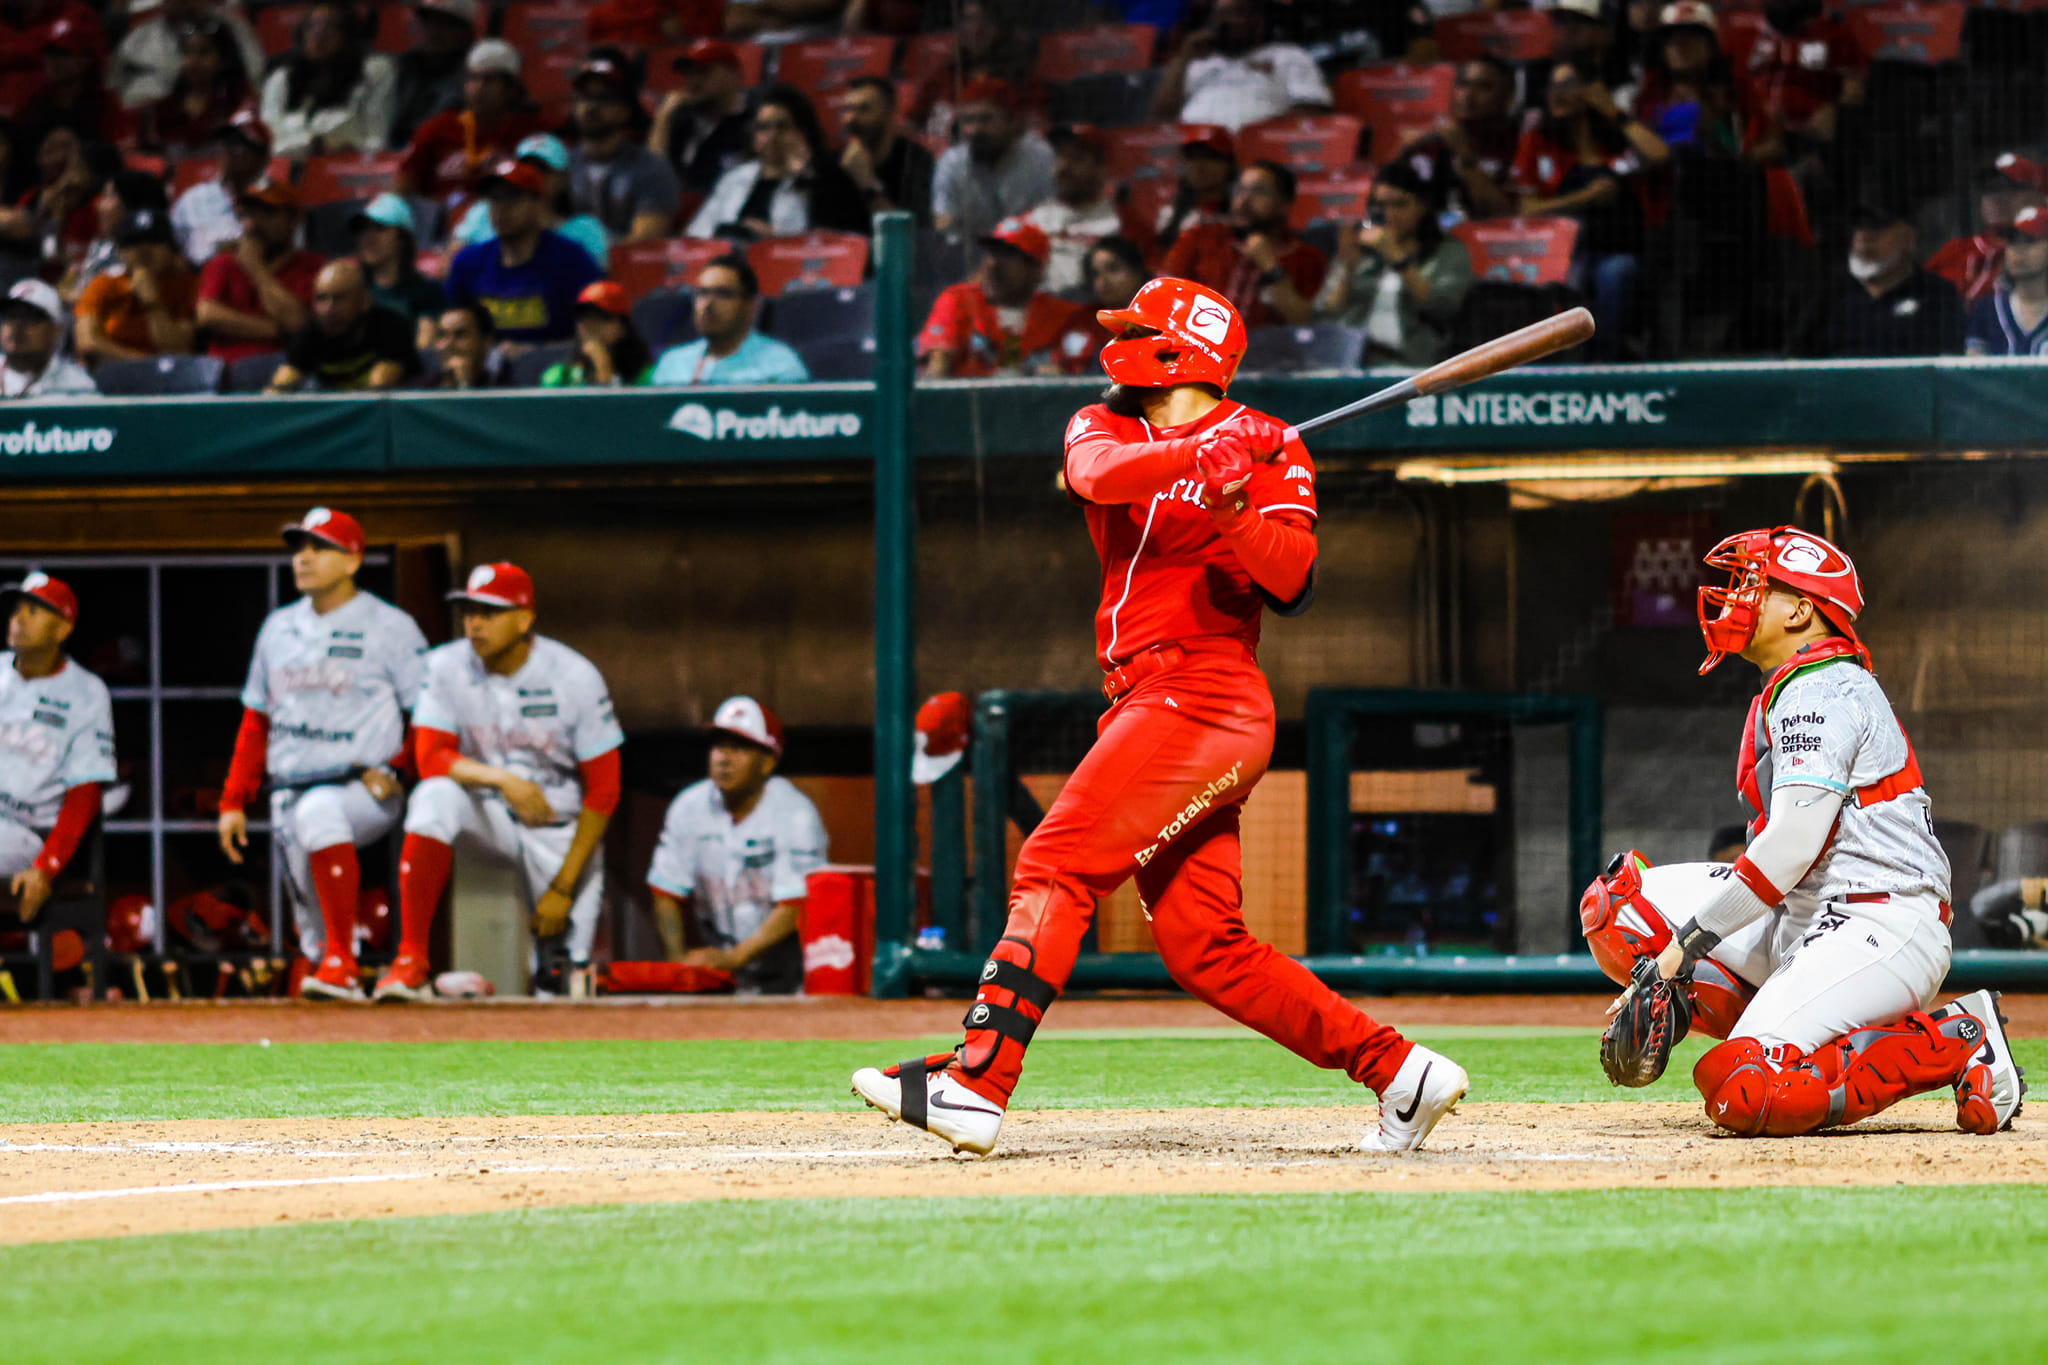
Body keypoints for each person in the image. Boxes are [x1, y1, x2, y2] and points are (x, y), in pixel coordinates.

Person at [851, 277, 1470, 1157]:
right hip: (1147, 700)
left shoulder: (1274, 452)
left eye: (1136, 328)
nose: (1118, 341)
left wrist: (1233, 508)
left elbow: (1289, 579)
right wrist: (1199, 457)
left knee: (1055, 865)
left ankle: (975, 1082)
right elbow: (1091, 475)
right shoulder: (1108, 424)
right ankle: (1400, 1070)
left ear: (1184, 347)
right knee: (1203, 946)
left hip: (1207, 694)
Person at [1580, 526, 2022, 1139]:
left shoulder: (1823, 689)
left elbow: (1790, 844)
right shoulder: (1797, 683)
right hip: (1806, 913)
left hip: (1880, 922)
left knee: (1745, 1089)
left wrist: (1683, 950)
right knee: (1618, 909)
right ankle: (1776, 1027)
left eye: (1755, 586)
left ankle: (1958, 1039)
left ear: (1801, 609)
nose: (1737, 598)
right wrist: (1672, 958)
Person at [387, 561, 623, 999]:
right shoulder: (444, 665)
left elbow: (605, 789)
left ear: (524, 618)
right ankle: (411, 956)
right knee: (433, 797)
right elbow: (430, 756)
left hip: (558, 828)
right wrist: (503, 780)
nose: (474, 623)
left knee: (565, 983)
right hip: (490, 814)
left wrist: (562, 888)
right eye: (469, 611)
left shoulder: (574, 675)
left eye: (489, 612)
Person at [218, 508, 427, 1000]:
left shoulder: (390, 625)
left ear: (353, 560)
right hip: (289, 787)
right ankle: (333, 981)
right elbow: (256, 720)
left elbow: (428, 711)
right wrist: (233, 799)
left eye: (319, 547)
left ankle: (342, 960)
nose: (304, 558)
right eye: (299, 547)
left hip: (362, 786)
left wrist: (398, 768)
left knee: (321, 813)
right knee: (307, 927)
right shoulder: (278, 628)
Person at [647, 696, 826, 994]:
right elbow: (665, 891)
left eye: (739, 748)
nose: (723, 758)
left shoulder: (795, 811)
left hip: (790, 979)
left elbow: (795, 907)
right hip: (722, 977)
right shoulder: (689, 807)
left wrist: (734, 958)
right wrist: (679, 964)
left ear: (768, 761)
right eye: (718, 746)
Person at [1511, 62, 1668, 362]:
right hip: (1558, 252)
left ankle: (1603, 366)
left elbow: (1659, 154)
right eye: (1552, 86)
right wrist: (1585, 197)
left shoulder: (1616, 138)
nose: (1557, 94)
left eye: (1568, 85)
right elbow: (1525, 209)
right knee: (1568, 278)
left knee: (1614, 275)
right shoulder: (1539, 137)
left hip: (1617, 249)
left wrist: (1615, 113)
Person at [0, 573, 111, 926]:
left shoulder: (85, 691)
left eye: (34, 611)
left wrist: (47, 868)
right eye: (17, 608)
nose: (18, 618)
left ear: (62, 629)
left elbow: (86, 793)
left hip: (26, 833)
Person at [1313, 160, 1473, 367]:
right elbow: (1326, 313)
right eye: (1380, 206)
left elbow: (1443, 308)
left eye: (1399, 204)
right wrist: (1346, 268)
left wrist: (1396, 256)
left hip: (1415, 364)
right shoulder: (1357, 247)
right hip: (1351, 362)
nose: (1388, 214)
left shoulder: (1448, 251)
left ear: (1421, 207)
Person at [443, 159, 604, 344]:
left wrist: (534, 355)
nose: (501, 209)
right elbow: (452, 330)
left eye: (513, 197)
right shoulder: (467, 263)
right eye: (494, 199)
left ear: (538, 203)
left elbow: (596, 332)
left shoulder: (571, 261)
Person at [686, 84, 866, 241]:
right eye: (763, 128)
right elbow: (698, 235)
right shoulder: (734, 178)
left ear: (802, 132)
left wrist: (773, 240)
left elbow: (840, 243)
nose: (771, 136)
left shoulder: (827, 179)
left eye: (782, 127)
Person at [1161, 160, 1326, 328]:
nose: (1243, 200)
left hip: (1268, 350)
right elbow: (1163, 295)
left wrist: (1270, 268)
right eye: (1239, 190)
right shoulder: (1200, 237)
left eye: (1258, 192)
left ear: (1284, 205)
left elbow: (1303, 321)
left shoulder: (1306, 257)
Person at [917, 217, 1077, 378]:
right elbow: (936, 367)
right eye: (993, 252)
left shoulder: (1057, 314)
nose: (994, 263)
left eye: (1008, 254)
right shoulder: (959, 300)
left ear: (1036, 269)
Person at [1148, 0, 1332, 134]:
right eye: (1220, 16)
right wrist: (1183, 59)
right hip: (1197, 152)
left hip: (1260, 151)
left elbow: (1311, 109)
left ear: (1257, 20)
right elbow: (1161, 116)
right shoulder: (1196, 63)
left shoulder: (1287, 55)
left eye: (1233, 14)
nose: (1224, 22)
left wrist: (1256, 135)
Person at [196, 177, 323, 365]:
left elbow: (297, 323)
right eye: (248, 214)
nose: (255, 223)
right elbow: (207, 315)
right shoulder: (223, 263)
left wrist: (256, 270)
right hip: (224, 378)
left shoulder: (314, 267)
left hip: (284, 375)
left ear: (294, 218)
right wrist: (278, 330)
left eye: (268, 213)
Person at [394, 38, 539, 203]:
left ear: (512, 88)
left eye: (489, 80)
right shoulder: (437, 128)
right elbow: (401, 186)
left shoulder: (529, 134)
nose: (478, 87)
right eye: (472, 78)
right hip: (441, 222)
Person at [446, 133, 607, 270]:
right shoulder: (484, 211)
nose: (532, 178)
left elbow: (594, 289)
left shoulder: (585, 229)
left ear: (563, 178)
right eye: (524, 169)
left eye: (541, 169)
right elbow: (450, 265)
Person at [1821, 202, 1962, 358]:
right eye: (1859, 228)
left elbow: (1947, 365)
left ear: (1909, 238)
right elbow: (1797, 360)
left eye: (1877, 228)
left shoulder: (1938, 295)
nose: (1863, 238)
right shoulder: (1832, 297)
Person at [567, 49, 679, 243]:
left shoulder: (652, 169)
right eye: (584, 97)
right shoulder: (560, 166)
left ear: (625, 110)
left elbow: (643, 244)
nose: (591, 107)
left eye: (603, 98)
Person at [259, 1, 398, 157]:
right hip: (289, 166)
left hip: (348, 166)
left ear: (348, 34)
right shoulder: (282, 78)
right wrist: (308, 143)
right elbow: (267, 138)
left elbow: (377, 137)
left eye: (329, 26)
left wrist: (344, 143)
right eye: (311, 26)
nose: (318, 33)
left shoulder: (374, 71)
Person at [930, 78, 1054, 245]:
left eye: (986, 119)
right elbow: (942, 223)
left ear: (1011, 121)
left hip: (1026, 254)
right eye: (968, 120)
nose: (976, 129)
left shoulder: (1040, 158)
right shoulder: (952, 162)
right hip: (965, 256)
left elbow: (1051, 219)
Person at [649, 254, 807, 384]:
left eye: (722, 294)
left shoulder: (779, 365)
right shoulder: (672, 363)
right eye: (702, 294)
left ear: (752, 305)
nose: (708, 304)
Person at [270, 259, 421, 392]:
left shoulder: (390, 326)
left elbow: (379, 386)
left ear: (364, 301)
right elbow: (280, 388)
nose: (328, 309)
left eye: (339, 298)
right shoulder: (310, 334)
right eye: (321, 299)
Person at [1397, 57, 1519, 221]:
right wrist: (1404, 150)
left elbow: (1507, 215)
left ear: (1508, 97)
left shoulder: (1520, 142)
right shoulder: (1430, 139)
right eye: (1462, 85)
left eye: (1484, 87)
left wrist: (1465, 158)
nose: (1468, 95)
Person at [73, 207, 198, 363]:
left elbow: (178, 351)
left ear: (170, 249)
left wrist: (152, 303)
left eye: (154, 240)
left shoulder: (188, 285)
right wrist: (145, 366)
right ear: (120, 253)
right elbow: (88, 343)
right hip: (111, 378)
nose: (142, 251)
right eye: (132, 243)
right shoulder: (104, 284)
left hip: (171, 382)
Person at [1928, 154, 2048, 309]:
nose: (1996, 198)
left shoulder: (2043, 252)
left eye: (2011, 189)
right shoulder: (1955, 251)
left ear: (2039, 195)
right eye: (1989, 189)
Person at [110, 0, 262, 112]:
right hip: (141, 121)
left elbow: (254, 76)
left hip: (214, 117)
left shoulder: (231, 30)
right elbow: (113, 86)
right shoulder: (140, 37)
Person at [1025, 125, 1121, 297]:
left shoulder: (1120, 223)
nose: (1064, 167)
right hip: (1039, 313)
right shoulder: (1033, 220)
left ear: (1101, 167)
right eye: (1059, 158)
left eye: (1076, 158)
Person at [133, 16, 250, 158]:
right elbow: (147, 154)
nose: (192, 61)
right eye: (187, 53)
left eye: (203, 53)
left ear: (224, 59)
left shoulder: (236, 97)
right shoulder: (163, 101)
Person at [650, 38, 752, 198]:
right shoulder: (679, 121)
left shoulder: (752, 126)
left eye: (703, 71)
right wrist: (662, 121)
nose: (692, 81)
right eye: (688, 73)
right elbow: (653, 182)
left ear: (733, 75)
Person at [169, 107, 272, 265]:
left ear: (263, 157)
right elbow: (171, 250)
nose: (227, 151)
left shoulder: (274, 201)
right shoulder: (194, 200)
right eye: (225, 143)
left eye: (238, 145)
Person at [835, 74, 932, 226]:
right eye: (847, 110)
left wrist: (868, 185)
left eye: (864, 109)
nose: (851, 118)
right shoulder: (836, 163)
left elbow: (910, 234)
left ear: (890, 114)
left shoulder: (914, 160)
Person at [352, 193, 444, 349]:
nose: (367, 236)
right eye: (363, 228)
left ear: (402, 239)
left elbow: (424, 348)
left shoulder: (428, 292)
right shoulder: (352, 290)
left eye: (378, 228)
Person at [1050, 234, 1146, 375]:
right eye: (1095, 274)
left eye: (1113, 269)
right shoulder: (1080, 322)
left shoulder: (1160, 320)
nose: (1104, 280)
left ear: (1137, 272)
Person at [391, 0, 478, 146]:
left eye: (446, 25)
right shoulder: (407, 66)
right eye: (429, 22)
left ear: (466, 32)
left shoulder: (475, 76)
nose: (434, 32)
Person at [1965, 206, 2048, 358]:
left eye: (2030, 241)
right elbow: (1973, 375)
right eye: (2013, 241)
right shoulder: (1986, 310)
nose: (2018, 250)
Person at [541, 279, 652, 386]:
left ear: (623, 327)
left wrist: (603, 366)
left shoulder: (646, 377)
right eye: (583, 317)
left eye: (601, 317)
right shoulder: (559, 376)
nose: (590, 325)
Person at [1150, 125, 1234, 258]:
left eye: (1209, 157)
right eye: (1192, 157)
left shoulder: (1243, 215)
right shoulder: (1168, 215)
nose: (1199, 165)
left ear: (1229, 163)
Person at [1, 277, 91, 395]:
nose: (17, 325)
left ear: (55, 330)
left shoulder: (77, 385)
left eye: (30, 318)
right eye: (10, 316)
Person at [428, 299, 508, 387]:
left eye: (460, 334)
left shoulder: (505, 390)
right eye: (442, 335)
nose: (449, 344)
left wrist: (465, 383)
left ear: (486, 340)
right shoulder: (419, 389)